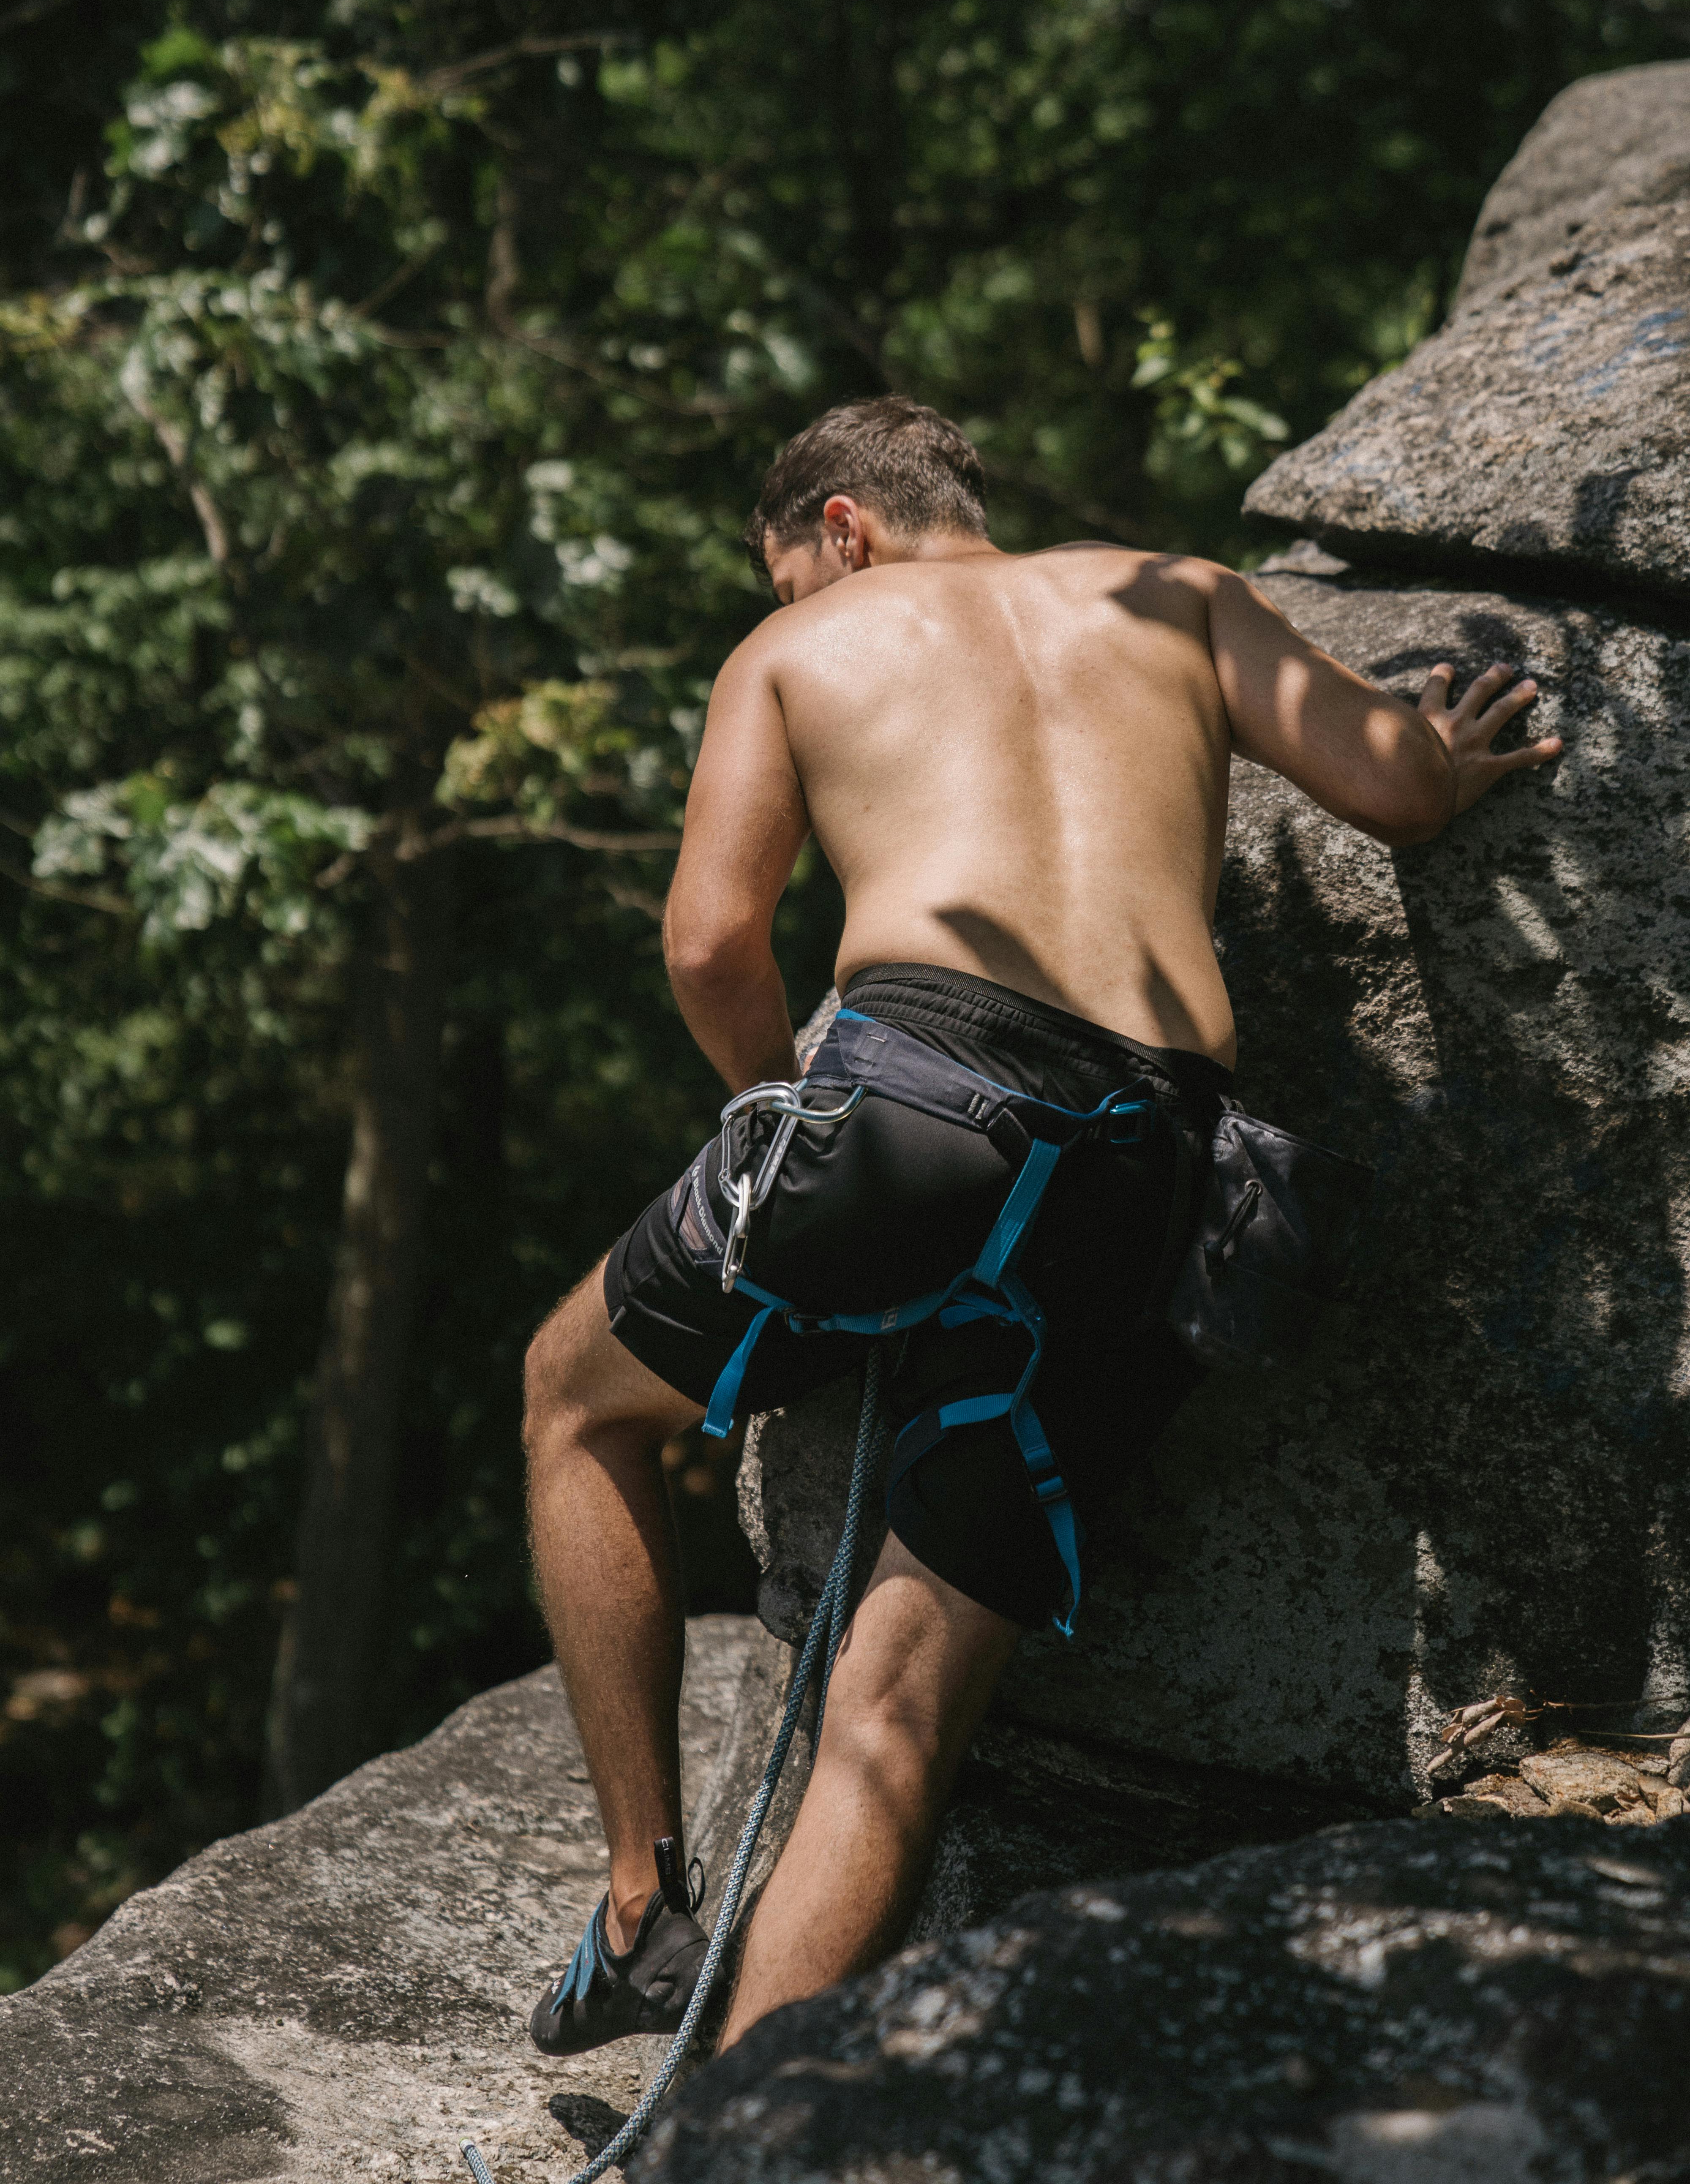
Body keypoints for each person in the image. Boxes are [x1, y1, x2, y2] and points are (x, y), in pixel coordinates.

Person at [521, 394, 1561, 2060]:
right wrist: (1454, 736)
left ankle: (645, 1910)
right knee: (896, 1715)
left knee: (573, 1402)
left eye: (783, 573)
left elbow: (712, 942)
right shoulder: (1179, 591)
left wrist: (765, 1111)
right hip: (1149, 1170)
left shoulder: (809, 643)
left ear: (841, 530)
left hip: (911, 1104)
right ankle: (734, 2146)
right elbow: (1402, 790)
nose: (789, 601)